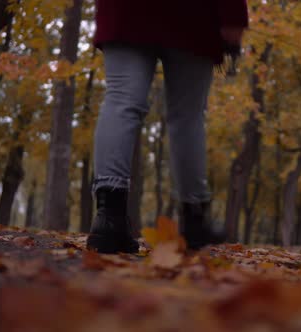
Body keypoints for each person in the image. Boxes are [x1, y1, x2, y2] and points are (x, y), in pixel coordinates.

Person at [86, 0, 249, 254]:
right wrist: (233, 15)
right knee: (188, 117)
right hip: (191, 14)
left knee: (121, 101)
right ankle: (194, 219)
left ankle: (108, 216)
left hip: (125, 10)